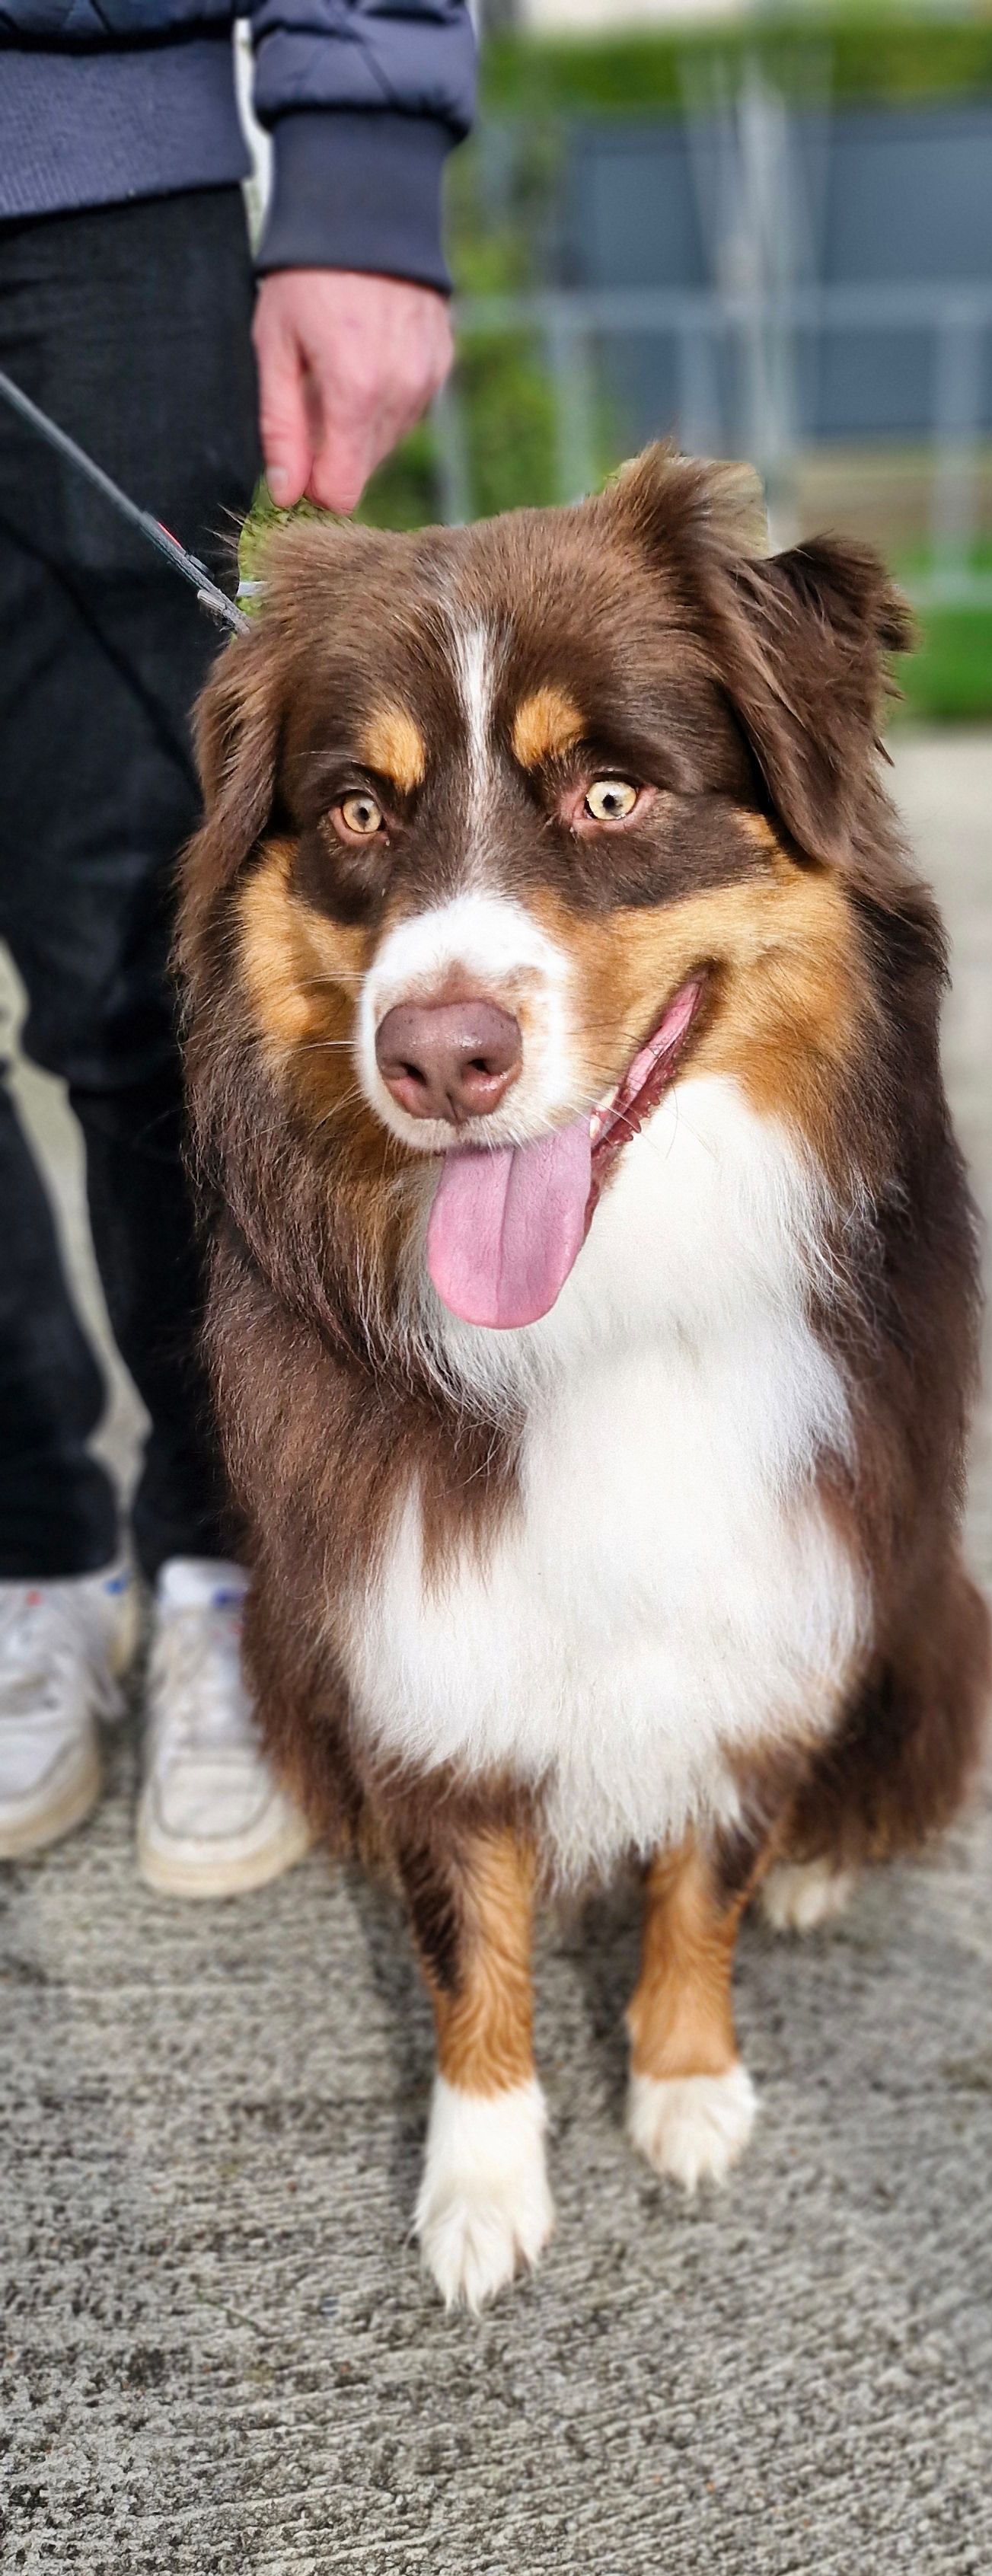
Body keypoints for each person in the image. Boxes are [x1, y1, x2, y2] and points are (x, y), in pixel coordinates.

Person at [0, 0, 474, 1892]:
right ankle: (33, 1559)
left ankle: (226, 1561)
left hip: (93, 183)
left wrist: (359, 150)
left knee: (148, 969)